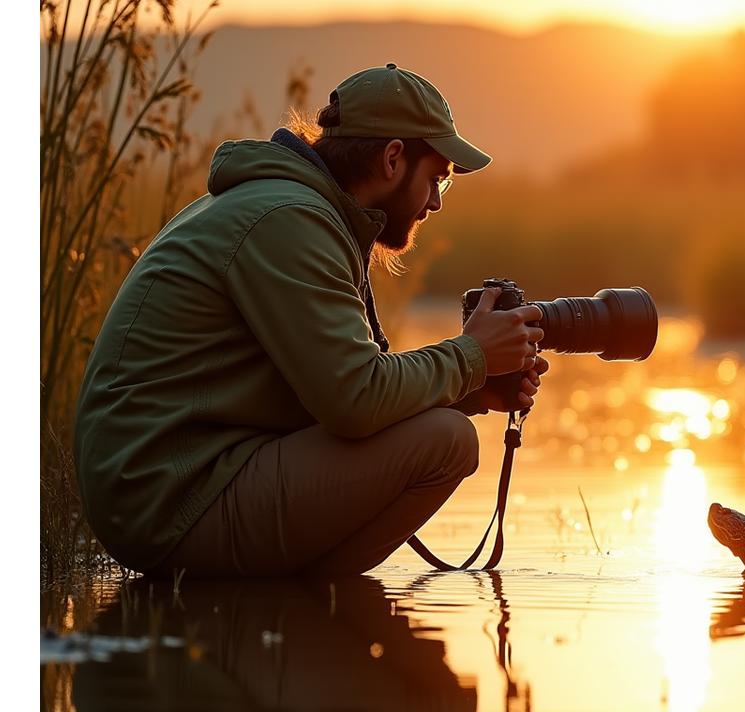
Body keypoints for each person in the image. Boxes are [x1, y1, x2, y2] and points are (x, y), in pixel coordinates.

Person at [73, 63, 549, 578]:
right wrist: (471, 356)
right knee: (446, 442)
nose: (435, 201)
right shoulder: (289, 220)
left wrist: (471, 390)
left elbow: (331, 390)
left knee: (447, 425)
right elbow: (355, 400)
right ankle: (305, 604)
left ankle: (308, 615)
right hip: (170, 498)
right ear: (392, 159)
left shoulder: (292, 207)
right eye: (436, 179)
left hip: (178, 481)